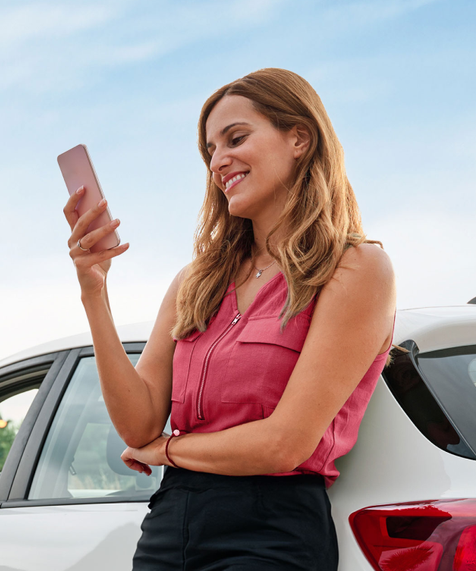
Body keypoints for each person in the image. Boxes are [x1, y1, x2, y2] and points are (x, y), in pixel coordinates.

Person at [63, 68, 396, 570]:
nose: (219, 160)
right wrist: (95, 291)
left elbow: (283, 445)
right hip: (168, 527)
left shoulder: (355, 268)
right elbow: (138, 425)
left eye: (235, 138)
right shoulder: (194, 281)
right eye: (210, 150)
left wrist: (167, 452)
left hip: (271, 533)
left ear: (299, 137)